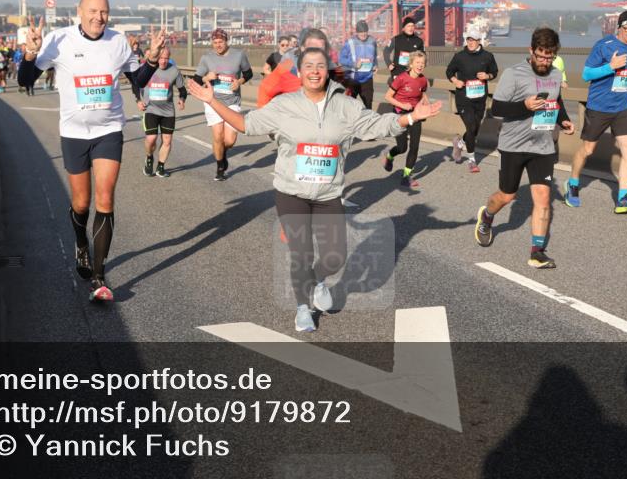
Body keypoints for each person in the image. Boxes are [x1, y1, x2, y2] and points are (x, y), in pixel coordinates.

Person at [185, 47, 441, 332]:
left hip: (328, 193)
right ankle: (302, 307)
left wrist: (412, 118)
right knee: (301, 253)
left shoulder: (345, 105)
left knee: (335, 256)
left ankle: (318, 280)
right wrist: (213, 101)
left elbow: (376, 125)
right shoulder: (284, 105)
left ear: (327, 70)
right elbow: (246, 123)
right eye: (308, 66)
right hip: (291, 192)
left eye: (320, 66)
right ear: (299, 71)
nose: (315, 71)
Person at [21, 0, 164, 302]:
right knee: (81, 203)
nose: (99, 17)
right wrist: (30, 54)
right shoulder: (59, 40)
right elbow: (25, 81)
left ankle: (99, 277)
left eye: (105, 12)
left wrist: (151, 59)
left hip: (109, 129)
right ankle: (81, 244)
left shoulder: (118, 42)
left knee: (105, 198)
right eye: (94, 11)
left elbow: (137, 78)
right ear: (80, 11)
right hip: (73, 133)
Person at [474, 27, 574, 269]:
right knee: (507, 196)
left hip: (543, 145)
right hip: (513, 145)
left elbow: (555, 101)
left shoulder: (556, 75)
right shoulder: (513, 74)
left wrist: (563, 119)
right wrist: (525, 107)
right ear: (531, 50)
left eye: (549, 57)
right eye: (541, 56)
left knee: (543, 198)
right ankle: (487, 216)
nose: (544, 61)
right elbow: (496, 109)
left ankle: (537, 251)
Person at [564, 10, 627, 213]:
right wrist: (610, 67)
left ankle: (623, 198)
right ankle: (573, 183)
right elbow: (587, 74)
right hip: (599, 106)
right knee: (588, 149)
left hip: (622, 106)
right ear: (619, 28)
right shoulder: (603, 46)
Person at [192, 28, 253, 181]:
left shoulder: (239, 55)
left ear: (226, 41)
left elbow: (248, 73)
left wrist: (239, 82)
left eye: (220, 42)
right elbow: (197, 80)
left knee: (230, 141)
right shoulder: (207, 58)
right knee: (218, 136)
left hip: (232, 102)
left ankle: (222, 153)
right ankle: (220, 166)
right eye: (215, 42)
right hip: (213, 101)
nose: (218, 45)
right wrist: (207, 77)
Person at [445, 23, 498, 172]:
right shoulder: (460, 56)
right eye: (468, 39)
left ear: (479, 41)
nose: (471, 42)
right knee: (471, 126)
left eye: (474, 40)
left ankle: (460, 143)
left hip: (480, 99)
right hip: (463, 98)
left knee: (475, 130)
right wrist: (455, 81)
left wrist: (487, 75)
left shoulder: (487, 56)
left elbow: (495, 72)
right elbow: (449, 71)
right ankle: (472, 160)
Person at [131, 45, 186, 178]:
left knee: (167, 140)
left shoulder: (174, 71)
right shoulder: (147, 69)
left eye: (166, 58)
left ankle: (161, 167)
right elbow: (135, 85)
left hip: (168, 111)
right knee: (151, 139)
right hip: (150, 109)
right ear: (156, 57)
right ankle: (149, 157)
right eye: (161, 58)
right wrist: (138, 100)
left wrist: (182, 99)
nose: (163, 61)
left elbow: (182, 89)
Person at [383, 50, 430, 189]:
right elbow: (388, 96)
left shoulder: (423, 80)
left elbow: (422, 94)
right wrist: (402, 104)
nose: (420, 65)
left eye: (422, 63)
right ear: (411, 63)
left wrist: (427, 105)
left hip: (415, 115)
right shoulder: (402, 78)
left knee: (414, 147)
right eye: (417, 62)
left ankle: (406, 176)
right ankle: (390, 155)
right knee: (402, 147)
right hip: (400, 115)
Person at [338, 20, 378, 109]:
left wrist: (375, 65)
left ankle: (368, 122)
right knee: (350, 106)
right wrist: (354, 64)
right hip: (353, 78)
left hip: (367, 78)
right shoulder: (350, 42)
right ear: (357, 32)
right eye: (361, 32)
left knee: (368, 105)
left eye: (365, 32)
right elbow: (341, 59)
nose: (363, 34)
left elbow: (374, 55)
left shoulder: (372, 41)